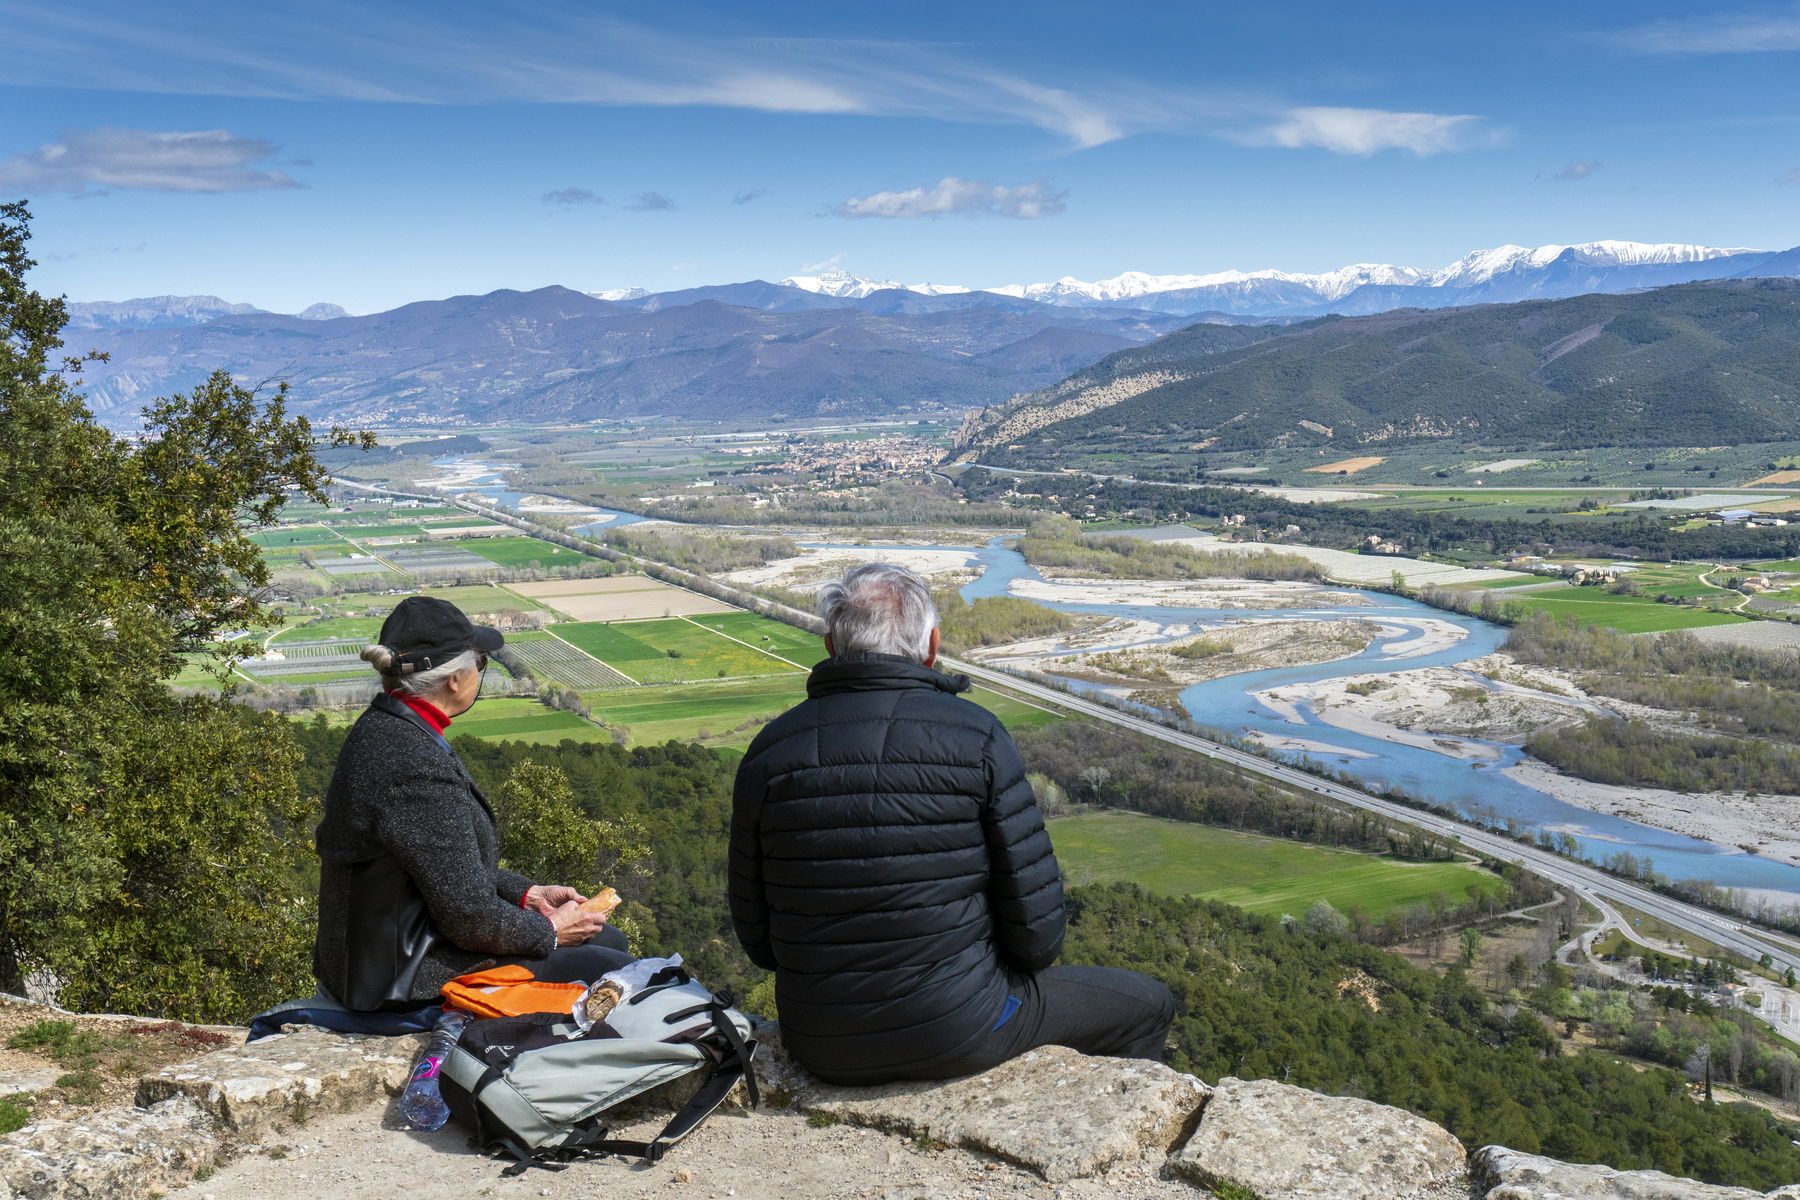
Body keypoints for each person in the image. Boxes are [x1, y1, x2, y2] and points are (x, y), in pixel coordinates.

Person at [728, 563, 1174, 1084]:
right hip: (959, 1030)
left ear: (831, 646)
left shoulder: (771, 749)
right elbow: (1037, 937)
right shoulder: (974, 735)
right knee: (1148, 1004)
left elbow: (758, 940)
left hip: (819, 1040)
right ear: (932, 645)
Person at [313, 595, 628, 1011]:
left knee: (605, 939)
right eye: (479, 663)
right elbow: (469, 918)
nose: (480, 673)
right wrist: (550, 930)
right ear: (454, 681)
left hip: (380, 958)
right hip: (401, 981)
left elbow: (438, 867)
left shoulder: (387, 729)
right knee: (610, 964)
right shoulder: (411, 764)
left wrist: (527, 895)